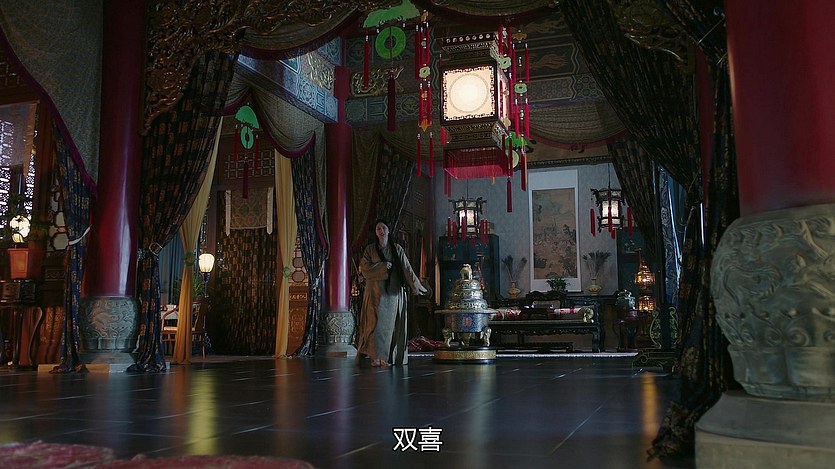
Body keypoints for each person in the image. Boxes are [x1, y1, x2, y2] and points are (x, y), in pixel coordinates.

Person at [356, 219, 427, 367]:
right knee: (375, 326)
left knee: (390, 327)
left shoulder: (397, 249)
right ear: (375, 233)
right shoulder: (370, 249)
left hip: (393, 293)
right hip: (374, 292)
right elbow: (364, 268)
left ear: (388, 230)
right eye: (378, 229)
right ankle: (376, 357)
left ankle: (387, 358)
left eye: (383, 228)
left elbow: (406, 267)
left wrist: (415, 285)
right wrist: (382, 267)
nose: (381, 231)